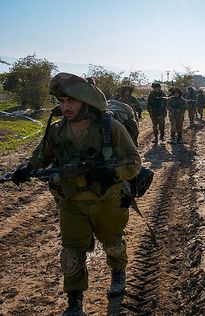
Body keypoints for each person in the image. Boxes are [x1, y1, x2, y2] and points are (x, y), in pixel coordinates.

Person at [10, 73, 141, 315]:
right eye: (62, 102)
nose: (65, 107)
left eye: (71, 101)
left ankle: (118, 273)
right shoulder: (57, 131)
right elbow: (41, 158)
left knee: (113, 244)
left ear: (87, 103)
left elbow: (134, 162)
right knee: (71, 253)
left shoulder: (111, 128)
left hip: (107, 201)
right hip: (71, 202)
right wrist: (27, 169)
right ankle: (74, 303)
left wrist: (112, 175)